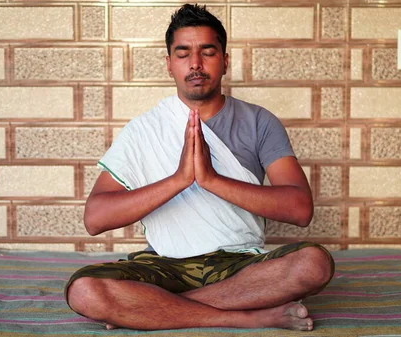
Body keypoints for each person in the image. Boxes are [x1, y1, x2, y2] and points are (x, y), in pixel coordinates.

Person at [66, 4, 334, 331]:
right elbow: (95, 218)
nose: (195, 64)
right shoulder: (143, 130)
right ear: (168, 65)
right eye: (183, 54)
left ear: (224, 60)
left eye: (207, 52)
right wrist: (179, 179)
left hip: (239, 263)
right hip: (165, 267)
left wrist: (211, 179)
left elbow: (300, 209)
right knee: (84, 290)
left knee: (314, 264)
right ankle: (247, 316)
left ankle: (148, 309)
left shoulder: (259, 122)